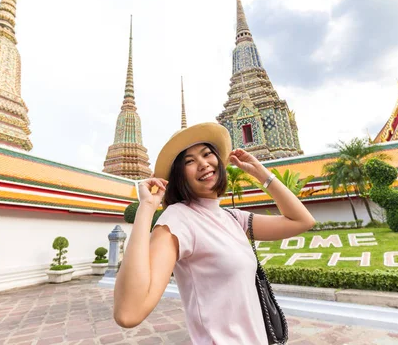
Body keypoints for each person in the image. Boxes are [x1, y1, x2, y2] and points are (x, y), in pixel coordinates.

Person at [113, 122, 315, 344]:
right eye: (189, 161)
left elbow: (301, 221)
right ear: (180, 176)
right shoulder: (178, 220)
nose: (203, 164)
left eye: (207, 154)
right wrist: (146, 208)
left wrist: (262, 174)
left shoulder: (232, 218)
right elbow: (129, 313)